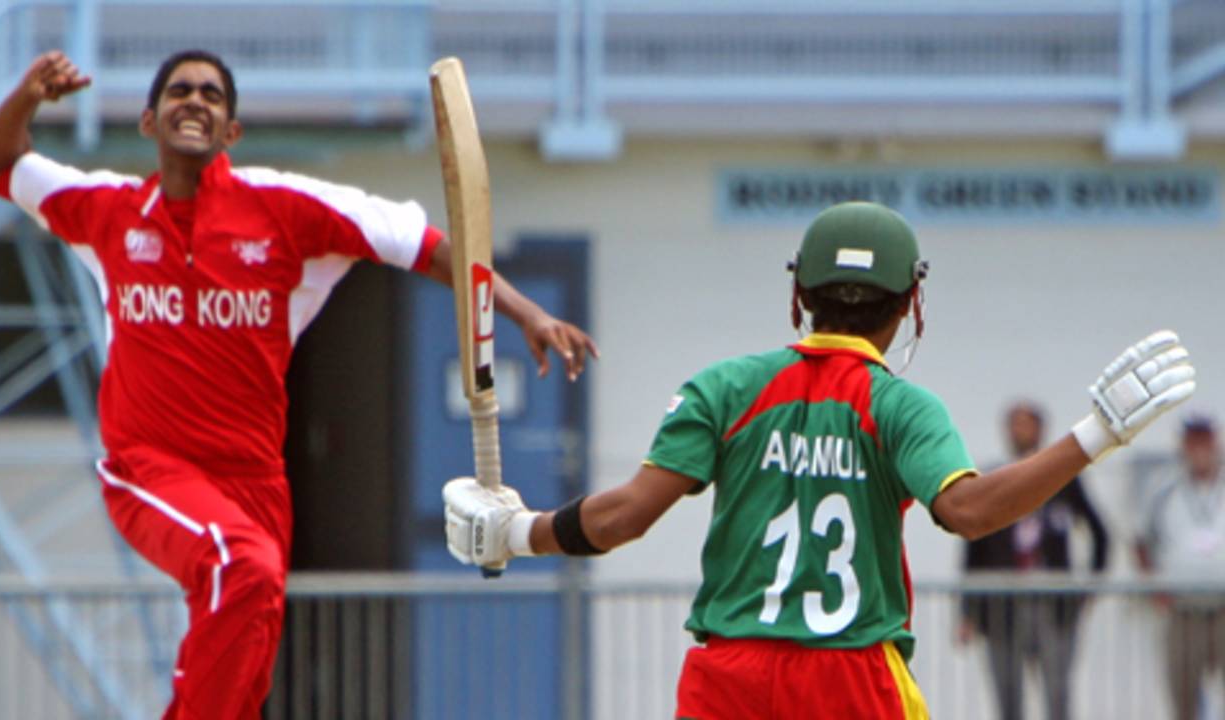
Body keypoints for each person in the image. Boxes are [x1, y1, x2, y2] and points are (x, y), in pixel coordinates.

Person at [0, 49, 597, 719]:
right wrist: (27, 95)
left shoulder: (287, 208)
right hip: (149, 468)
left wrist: (524, 311)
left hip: (256, 483)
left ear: (231, 131)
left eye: (213, 95)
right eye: (180, 90)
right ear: (149, 121)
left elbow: (427, 245)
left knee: (246, 660)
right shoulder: (105, 210)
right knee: (239, 565)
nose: (196, 101)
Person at [442, 201, 1195, 719]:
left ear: (798, 292)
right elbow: (969, 512)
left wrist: (517, 532)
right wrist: (1094, 435)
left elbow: (623, 517)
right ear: (910, 305)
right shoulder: (902, 405)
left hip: (728, 677)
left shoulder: (726, 386)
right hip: (850, 677)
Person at [958, 401, 1110, 720]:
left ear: (1040, 430)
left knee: (1057, 694)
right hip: (1002, 605)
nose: (1020, 432)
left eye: (1026, 425)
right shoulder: (993, 477)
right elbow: (973, 545)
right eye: (1014, 425)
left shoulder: (1063, 481)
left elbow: (1100, 532)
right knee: (1008, 696)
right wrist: (968, 610)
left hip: (1053, 606)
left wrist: (1090, 587)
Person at [1136, 414, 1225, 720]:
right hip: (1183, 608)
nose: (1199, 449)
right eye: (1193, 442)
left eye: (1205, 441)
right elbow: (1142, 541)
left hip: (1223, 605)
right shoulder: (1164, 490)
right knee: (1183, 692)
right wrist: (1154, 588)